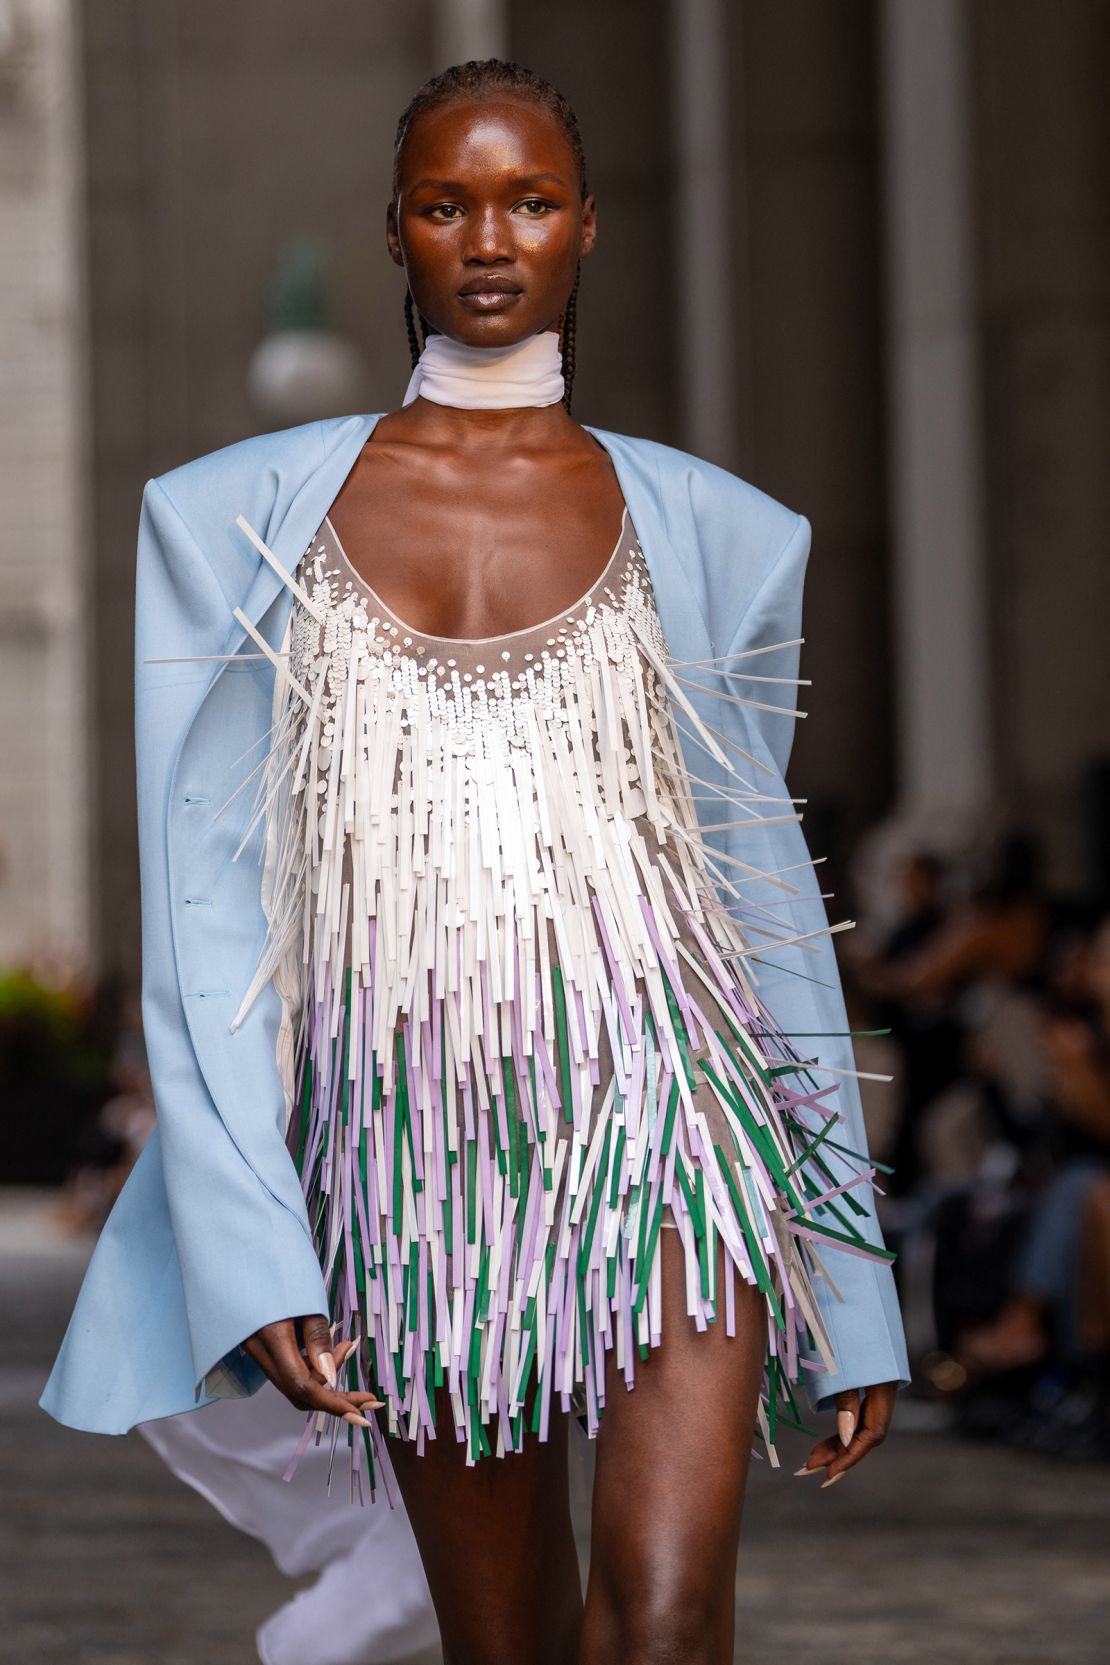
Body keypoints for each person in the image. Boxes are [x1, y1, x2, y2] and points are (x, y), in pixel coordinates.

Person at [40, 60, 909, 1664]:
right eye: (448, 203)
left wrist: (846, 1278)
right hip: (418, 1152)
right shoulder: (232, 524)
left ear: (586, 226)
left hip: (670, 1122)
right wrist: (258, 1246)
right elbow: (208, 914)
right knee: (500, 1642)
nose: (488, 236)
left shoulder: (724, 533)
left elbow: (760, 888)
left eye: (525, 200)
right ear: (396, 233)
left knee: (659, 1613)